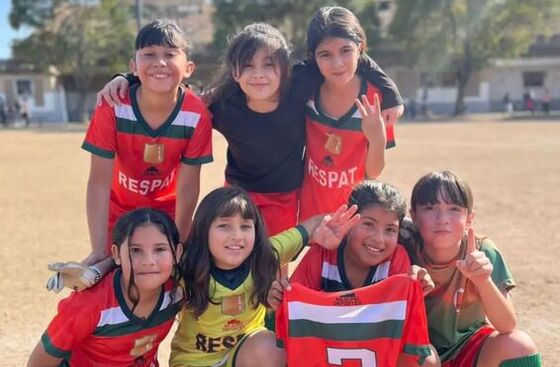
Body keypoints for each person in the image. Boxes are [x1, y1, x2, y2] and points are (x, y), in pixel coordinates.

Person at [96, 22, 403, 240]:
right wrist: (129, 78)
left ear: (284, 69)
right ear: (234, 71)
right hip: (238, 196)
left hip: (284, 198)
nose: (259, 74)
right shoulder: (222, 104)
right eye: (248, 65)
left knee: (274, 271)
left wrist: (391, 94)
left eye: (269, 64)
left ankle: (270, 328)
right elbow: (172, 88)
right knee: (234, 261)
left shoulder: (299, 86)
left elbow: (351, 55)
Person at [156, 186, 360, 367]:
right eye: (224, 226)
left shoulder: (265, 254)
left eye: (245, 226)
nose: (237, 236)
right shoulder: (186, 267)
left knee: (274, 350)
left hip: (243, 351)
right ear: (204, 231)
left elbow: (310, 227)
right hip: (195, 361)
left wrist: (325, 229)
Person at [268, 180, 440, 367]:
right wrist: (279, 299)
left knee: (426, 363)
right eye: (368, 224)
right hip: (322, 358)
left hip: (374, 362)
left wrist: (415, 291)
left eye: (390, 229)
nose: (378, 239)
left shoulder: (397, 260)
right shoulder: (323, 254)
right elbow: (294, 307)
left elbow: (403, 330)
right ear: (350, 221)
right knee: (271, 342)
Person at [401, 170, 541, 367]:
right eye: (431, 207)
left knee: (519, 345)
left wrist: (482, 280)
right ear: (413, 216)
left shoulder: (482, 250)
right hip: (420, 357)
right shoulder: (403, 247)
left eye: (454, 209)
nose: (442, 218)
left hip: (467, 348)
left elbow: (507, 324)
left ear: (469, 218)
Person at [27, 208, 185, 367]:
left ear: (178, 253)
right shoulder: (90, 304)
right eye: (135, 250)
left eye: (160, 249)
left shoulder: (178, 290)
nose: (149, 260)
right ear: (116, 254)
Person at [81, 19, 212, 268]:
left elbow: (187, 189)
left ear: (189, 68)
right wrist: (98, 249)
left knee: (168, 286)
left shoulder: (196, 114)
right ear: (133, 66)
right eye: (149, 54)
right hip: (119, 212)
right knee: (113, 283)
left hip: (168, 215)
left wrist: (180, 243)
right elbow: (99, 182)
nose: (159, 62)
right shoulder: (113, 105)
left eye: (170, 54)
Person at [298, 6, 396, 220]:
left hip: (356, 216)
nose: (338, 63)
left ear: (360, 48)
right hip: (313, 215)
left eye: (345, 51)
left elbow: (374, 172)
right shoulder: (306, 93)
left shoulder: (376, 98)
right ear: (313, 57)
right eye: (326, 55)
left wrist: (377, 137)